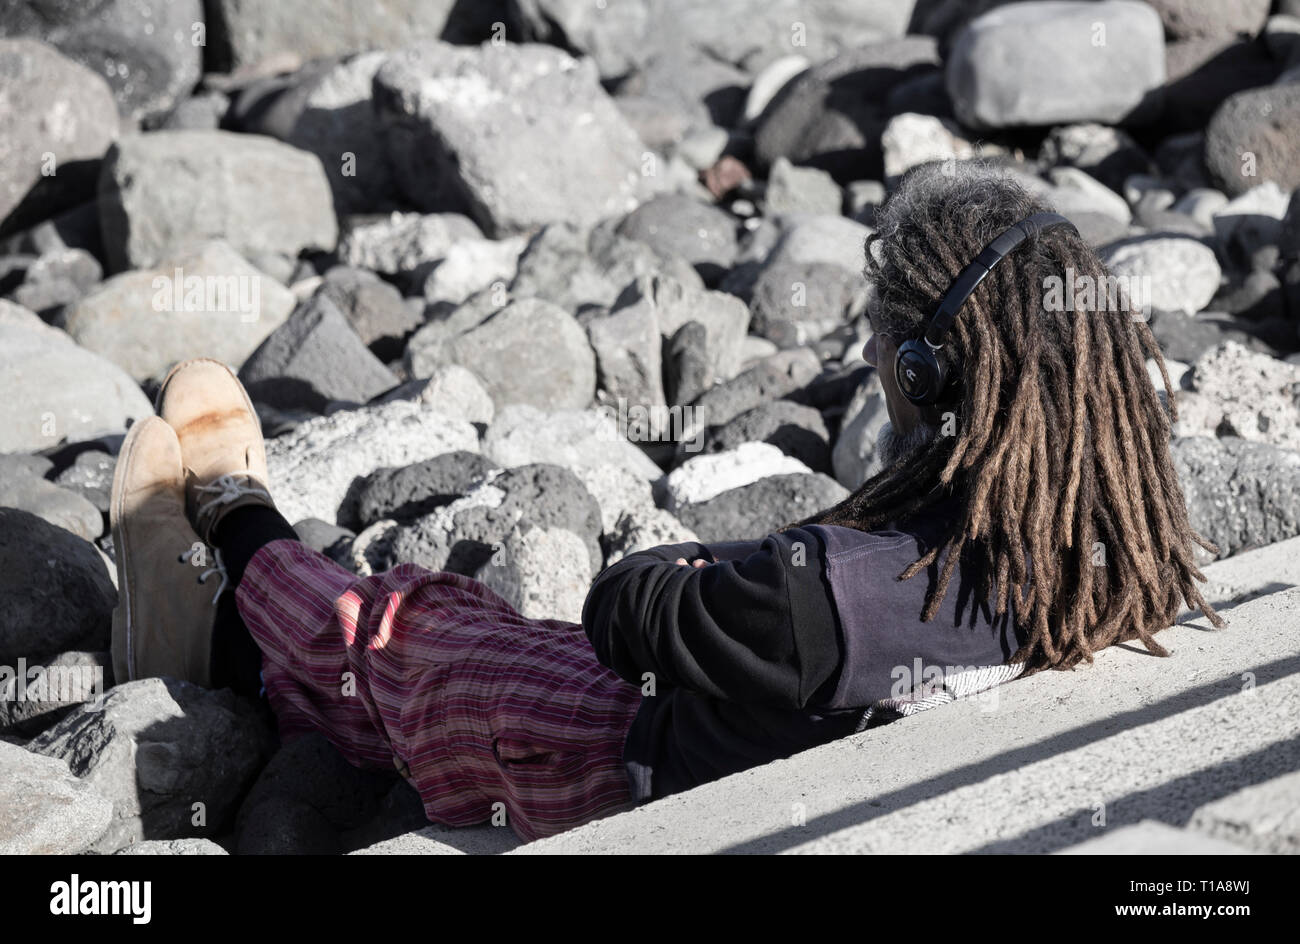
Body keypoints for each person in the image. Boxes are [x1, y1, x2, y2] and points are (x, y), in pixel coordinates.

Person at [108, 163, 1221, 843]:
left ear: (926, 377)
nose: (873, 351)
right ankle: (254, 656)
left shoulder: (830, 600)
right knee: (449, 635)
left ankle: (229, 540)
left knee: (412, 635)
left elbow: (620, 611)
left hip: (612, 754)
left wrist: (686, 567)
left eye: (884, 339)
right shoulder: (1100, 524)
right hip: (749, 708)